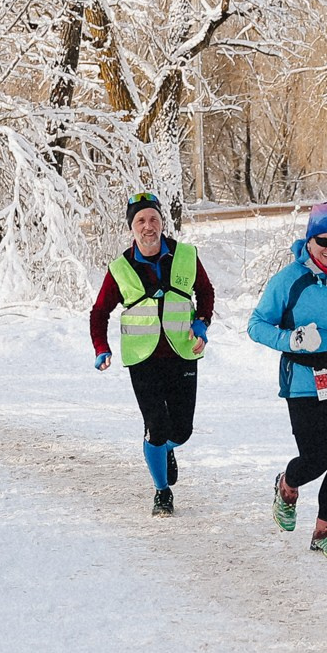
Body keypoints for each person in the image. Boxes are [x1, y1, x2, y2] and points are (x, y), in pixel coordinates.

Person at [247, 203, 327, 558]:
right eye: (323, 240)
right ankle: (287, 486)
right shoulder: (289, 281)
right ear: (309, 241)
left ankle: (324, 532)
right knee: (316, 457)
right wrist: (291, 340)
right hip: (305, 381)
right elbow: (256, 325)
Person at [89, 191, 213, 516]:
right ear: (132, 227)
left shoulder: (185, 255)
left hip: (182, 353)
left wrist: (201, 324)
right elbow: (99, 311)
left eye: (153, 219)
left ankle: (160, 450)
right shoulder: (120, 268)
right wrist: (102, 348)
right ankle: (162, 491)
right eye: (141, 220)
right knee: (157, 427)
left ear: (162, 222)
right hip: (142, 360)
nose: (148, 226)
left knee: (181, 431)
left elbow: (205, 291)